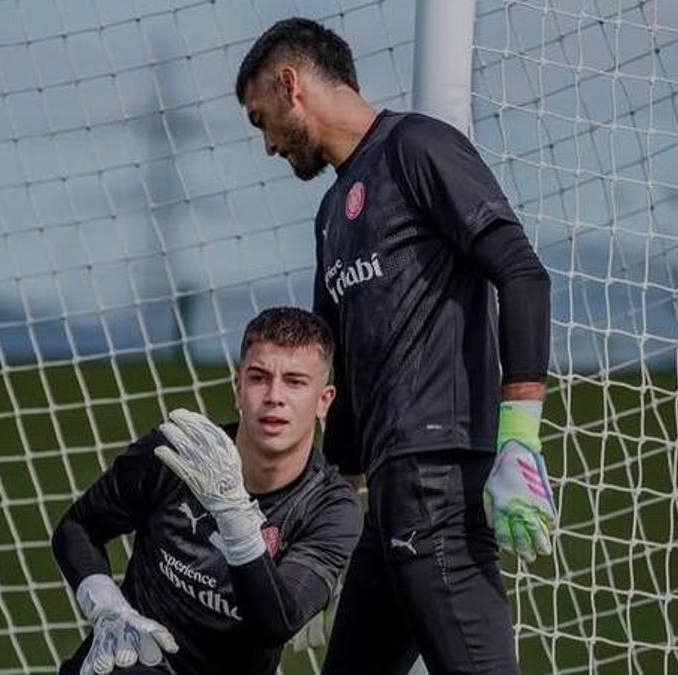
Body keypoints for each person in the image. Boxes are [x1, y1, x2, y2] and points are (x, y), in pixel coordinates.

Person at [235, 17, 557, 675]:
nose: (267, 143)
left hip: (438, 479)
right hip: (391, 499)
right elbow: (344, 387)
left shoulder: (417, 147)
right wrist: (310, 515)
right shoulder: (332, 216)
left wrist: (520, 434)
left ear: (291, 84)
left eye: (260, 118)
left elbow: (521, 272)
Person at [51, 307, 362, 675]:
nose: (274, 396)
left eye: (295, 382)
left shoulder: (331, 509)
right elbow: (78, 527)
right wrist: (106, 606)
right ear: (238, 387)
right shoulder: (178, 452)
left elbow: (274, 624)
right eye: (259, 378)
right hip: (131, 662)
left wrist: (233, 512)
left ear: (324, 400)